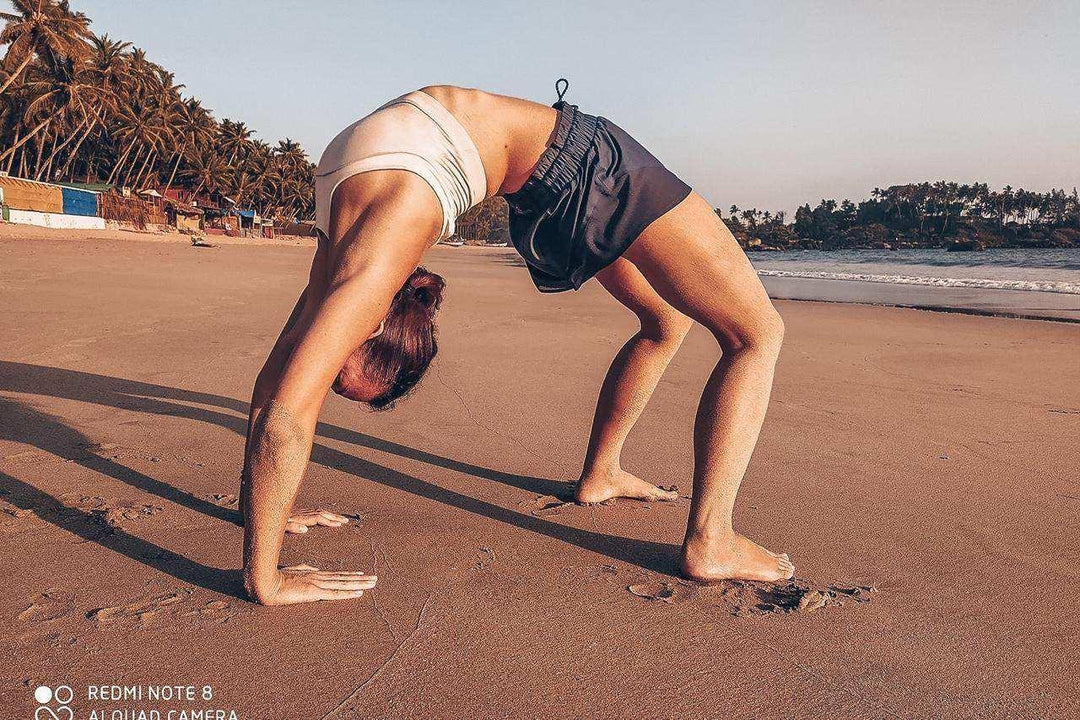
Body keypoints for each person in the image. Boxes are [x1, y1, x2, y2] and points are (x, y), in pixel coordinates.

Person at [240, 81, 792, 606]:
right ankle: (710, 539)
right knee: (754, 334)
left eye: (336, 357)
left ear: (370, 323)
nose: (326, 355)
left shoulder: (361, 273)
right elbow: (280, 393)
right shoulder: (351, 241)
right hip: (551, 177)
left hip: (565, 177)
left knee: (694, 326)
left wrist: (261, 565)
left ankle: (605, 476)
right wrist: (265, 528)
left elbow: (285, 408)